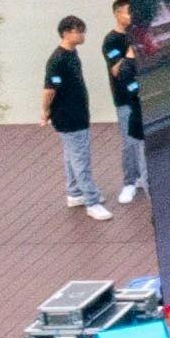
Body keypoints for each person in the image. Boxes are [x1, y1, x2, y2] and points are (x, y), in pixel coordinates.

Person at [44, 16, 113, 215]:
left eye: (83, 31)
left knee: (71, 156)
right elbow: (49, 89)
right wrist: (44, 112)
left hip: (77, 115)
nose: (83, 35)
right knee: (81, 159)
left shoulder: (72, 54)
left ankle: (75, 193)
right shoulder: (57, 60)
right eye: (79, 31)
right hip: (69, 117)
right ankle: (92, 202)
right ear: (66, 33)